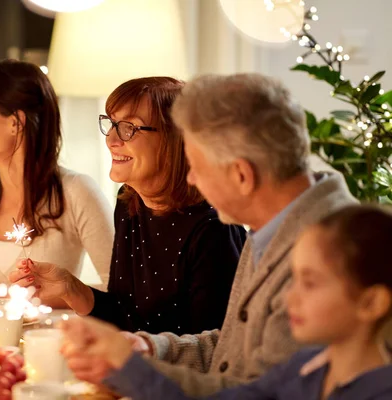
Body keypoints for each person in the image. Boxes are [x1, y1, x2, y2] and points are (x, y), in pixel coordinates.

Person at [58, 73, 358, 393]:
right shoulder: (274, 229)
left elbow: (260, 395)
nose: (191, 179)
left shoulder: (328, 257)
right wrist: (150, 349)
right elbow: (232, 349)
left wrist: (134, 372)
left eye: (197, 166)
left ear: (241, 175)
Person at [62, 205, 392, 400]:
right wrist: (132, 361)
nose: (290, 295)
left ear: (371, 303)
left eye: (309, 283)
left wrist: (131, 366)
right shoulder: (305, 366)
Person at [9, 77, 245, 335]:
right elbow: (126, 315)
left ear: (175, 139)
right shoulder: (130, 203)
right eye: (112, 124)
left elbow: (211, 352)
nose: (111, 139)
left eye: (129, 127)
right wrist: (72, 289)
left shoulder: (213, 230)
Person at [0, 60, 113, 306]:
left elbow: (119, 292)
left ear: (15, 122)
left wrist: (35, 297)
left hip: (50, 342)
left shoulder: (77, 192)